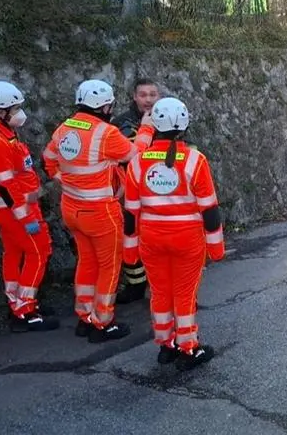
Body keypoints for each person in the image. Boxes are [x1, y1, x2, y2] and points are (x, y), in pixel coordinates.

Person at [43, 80, 153, 343]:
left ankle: (85, 316)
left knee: (87, 262)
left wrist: (66, 181)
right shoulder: (105, 132)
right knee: (109, 267)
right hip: (100, 212)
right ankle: (103, 322)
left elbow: (47, 159)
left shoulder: (65, 128)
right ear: (104, 106)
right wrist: (147, 127)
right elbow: (136, 154)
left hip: (72, 209)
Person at [123, 97, 225, 371]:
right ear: (185, 125)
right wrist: (216, 248)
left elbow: (131, 212)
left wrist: (129, 249)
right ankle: (189, 347)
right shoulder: (195, 160)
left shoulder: (137, 162)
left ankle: (166, 345)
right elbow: (210, 210)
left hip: (151, 238)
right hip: (187, 239)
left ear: (153, 124)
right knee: (184, 293)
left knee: (159, 292)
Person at [0, 81, 59, 333]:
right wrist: (26, 217)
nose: (20, 112)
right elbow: (6, 187)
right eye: (14, 108)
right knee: (39, 252)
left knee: (14, 253)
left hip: (9, 210)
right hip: (15, 211)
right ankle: (25, 311)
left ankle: (16, 302)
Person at [111, 78, 161, 305]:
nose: (148, 99)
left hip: (160, 187)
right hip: (131, 188)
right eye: (143, 95)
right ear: (134, 96)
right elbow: (123, 156)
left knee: (158, 238)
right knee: (130, 238)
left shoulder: (168, 117)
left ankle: (159, 283)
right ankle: (136, 285)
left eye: (152, 95)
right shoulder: (121, 123)